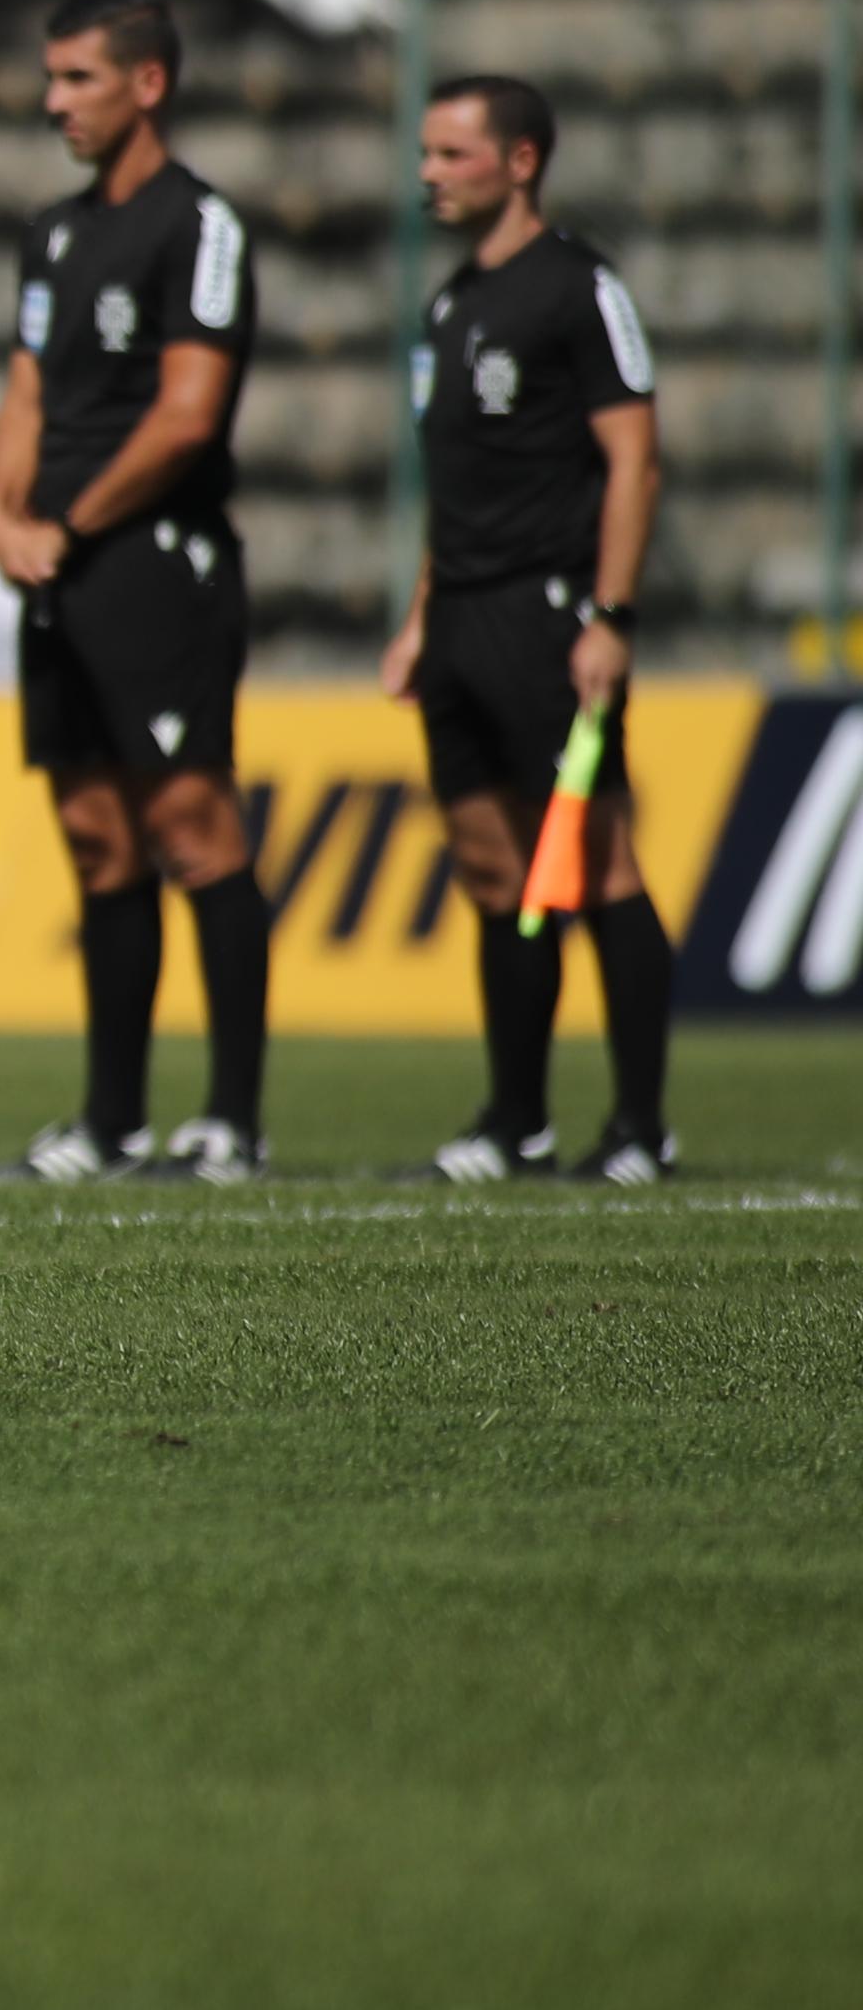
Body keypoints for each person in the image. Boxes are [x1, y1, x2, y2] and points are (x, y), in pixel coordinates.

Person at [0, 0, 268, 1185]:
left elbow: (191, 413)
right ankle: (113, 1120)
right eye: (51, 80)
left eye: (78, 80)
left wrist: (68, 520)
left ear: (146, 84)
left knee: (191, 828)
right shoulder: (53, 233)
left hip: (155, 562)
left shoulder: (196, 225)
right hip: (61, 568)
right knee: (98, 841)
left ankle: (234, 1121)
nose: (56, 103)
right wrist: (2, 515)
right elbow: (31, 390)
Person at [387, 74, 674, 1185]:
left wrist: (611, 615)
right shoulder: (449, 304)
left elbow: (634, 458)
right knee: (494, 871)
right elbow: (451, 484)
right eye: (425, 154)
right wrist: (419, 617)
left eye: (452, 155)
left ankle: (642, 1127)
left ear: (519, 162)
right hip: (459, 617)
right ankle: (518, 1121)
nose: (429, 174)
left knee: (595, 862)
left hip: (551, 615)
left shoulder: (578, 288)